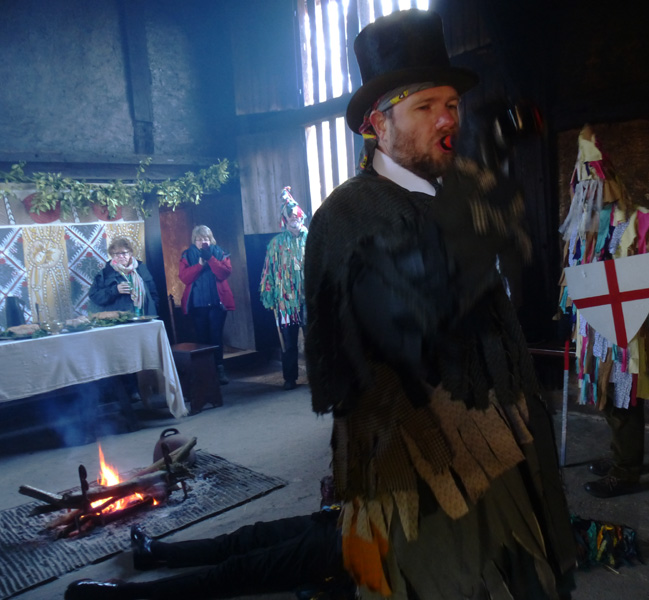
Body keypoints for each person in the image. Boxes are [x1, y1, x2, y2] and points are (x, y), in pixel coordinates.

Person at [304, 9, 575, 600]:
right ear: (378, 124)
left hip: (502, 437)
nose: (448, 118)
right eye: (425, 107)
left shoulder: (451, 195)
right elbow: (407, 319)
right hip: (417, 469)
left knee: (529, 576)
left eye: (451, 104)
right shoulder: (347, 215)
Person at [556, 126, 649, 498]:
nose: (586, 191)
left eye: (592, 182)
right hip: (594, 326)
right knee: (607, 394)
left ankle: (626, 471)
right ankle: (619, 456)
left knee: (624, 395)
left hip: (625, 327)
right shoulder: (584, 229)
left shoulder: (638, 220)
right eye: (581, 184)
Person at [63, 478, 354, 600]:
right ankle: (157, 552)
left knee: (239, 570)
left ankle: (128, 593)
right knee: (250, 536)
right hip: (341, 523)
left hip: (351, 550)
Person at [89, 236, 159, 404]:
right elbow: (95, 296)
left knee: (145, 355)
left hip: (142, 319)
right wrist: (115, 290)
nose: (120, 256)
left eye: (124, 253)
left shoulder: (141, 269)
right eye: (116, 254)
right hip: (121, 323)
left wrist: (152, 309)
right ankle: (132, 391)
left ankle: (151, 392)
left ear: (131, 253)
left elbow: (153, 292)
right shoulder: (106, 273)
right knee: (126, 357)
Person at [259, 187, 308, 391]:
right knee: (288, 342)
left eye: (295, 214)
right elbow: (268, 271)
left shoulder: (312, 238)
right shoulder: (276, 244)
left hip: (309, 298)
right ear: (284, 219)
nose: (293, 218)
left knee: (314, 340)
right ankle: (290, 378)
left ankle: (319, 377)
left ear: (301, 216)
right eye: (289, 215)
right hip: (286, 301)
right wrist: (269, 293)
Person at [179, 225, 235, 386]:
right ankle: (205, 371)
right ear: (194, 240)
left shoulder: (220, 252)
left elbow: (224, 273)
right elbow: (184, 277)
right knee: (202, 339)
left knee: (216, 337)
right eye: (199, 239)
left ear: (211, 240)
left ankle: (219, 369)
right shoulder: (187, 255)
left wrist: (210, 259)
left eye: (206, 239)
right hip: (198, 305)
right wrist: (199, 265)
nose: (203, 242)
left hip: (217, 304)